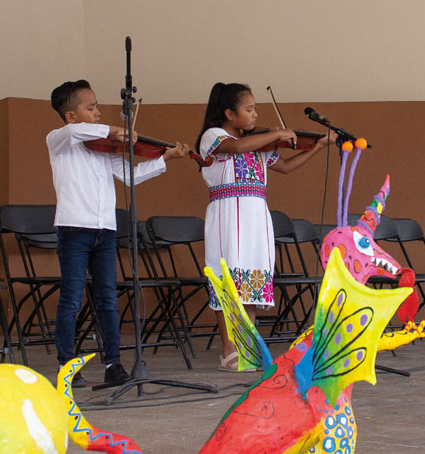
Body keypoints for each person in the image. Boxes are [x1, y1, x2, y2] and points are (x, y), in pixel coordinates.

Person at [47, 79, 188, 387]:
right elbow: (74, 133)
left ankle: (113, 364)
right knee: (72, 299)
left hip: (105, 231)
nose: (98, 113)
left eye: (97, 107)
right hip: (74, 229)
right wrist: (112, 131)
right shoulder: (59, 138)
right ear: (70, 115)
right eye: (91, 107)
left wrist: (165, 158)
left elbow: (131, 177)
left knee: (108, 299)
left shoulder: (103, 149)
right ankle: (66, 364)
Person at [196, 82, 334, 371]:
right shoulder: (214, 136)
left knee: (252, 279)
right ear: (229, 114)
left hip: (256, 215)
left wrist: (318, 147)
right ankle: (229, 350)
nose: (255, 114)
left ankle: (249, 347)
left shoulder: (259, 144)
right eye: (249, 109)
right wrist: (277, 133)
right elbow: (234, 147)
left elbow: (284, 166)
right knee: (227, 279)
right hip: (227, 215)